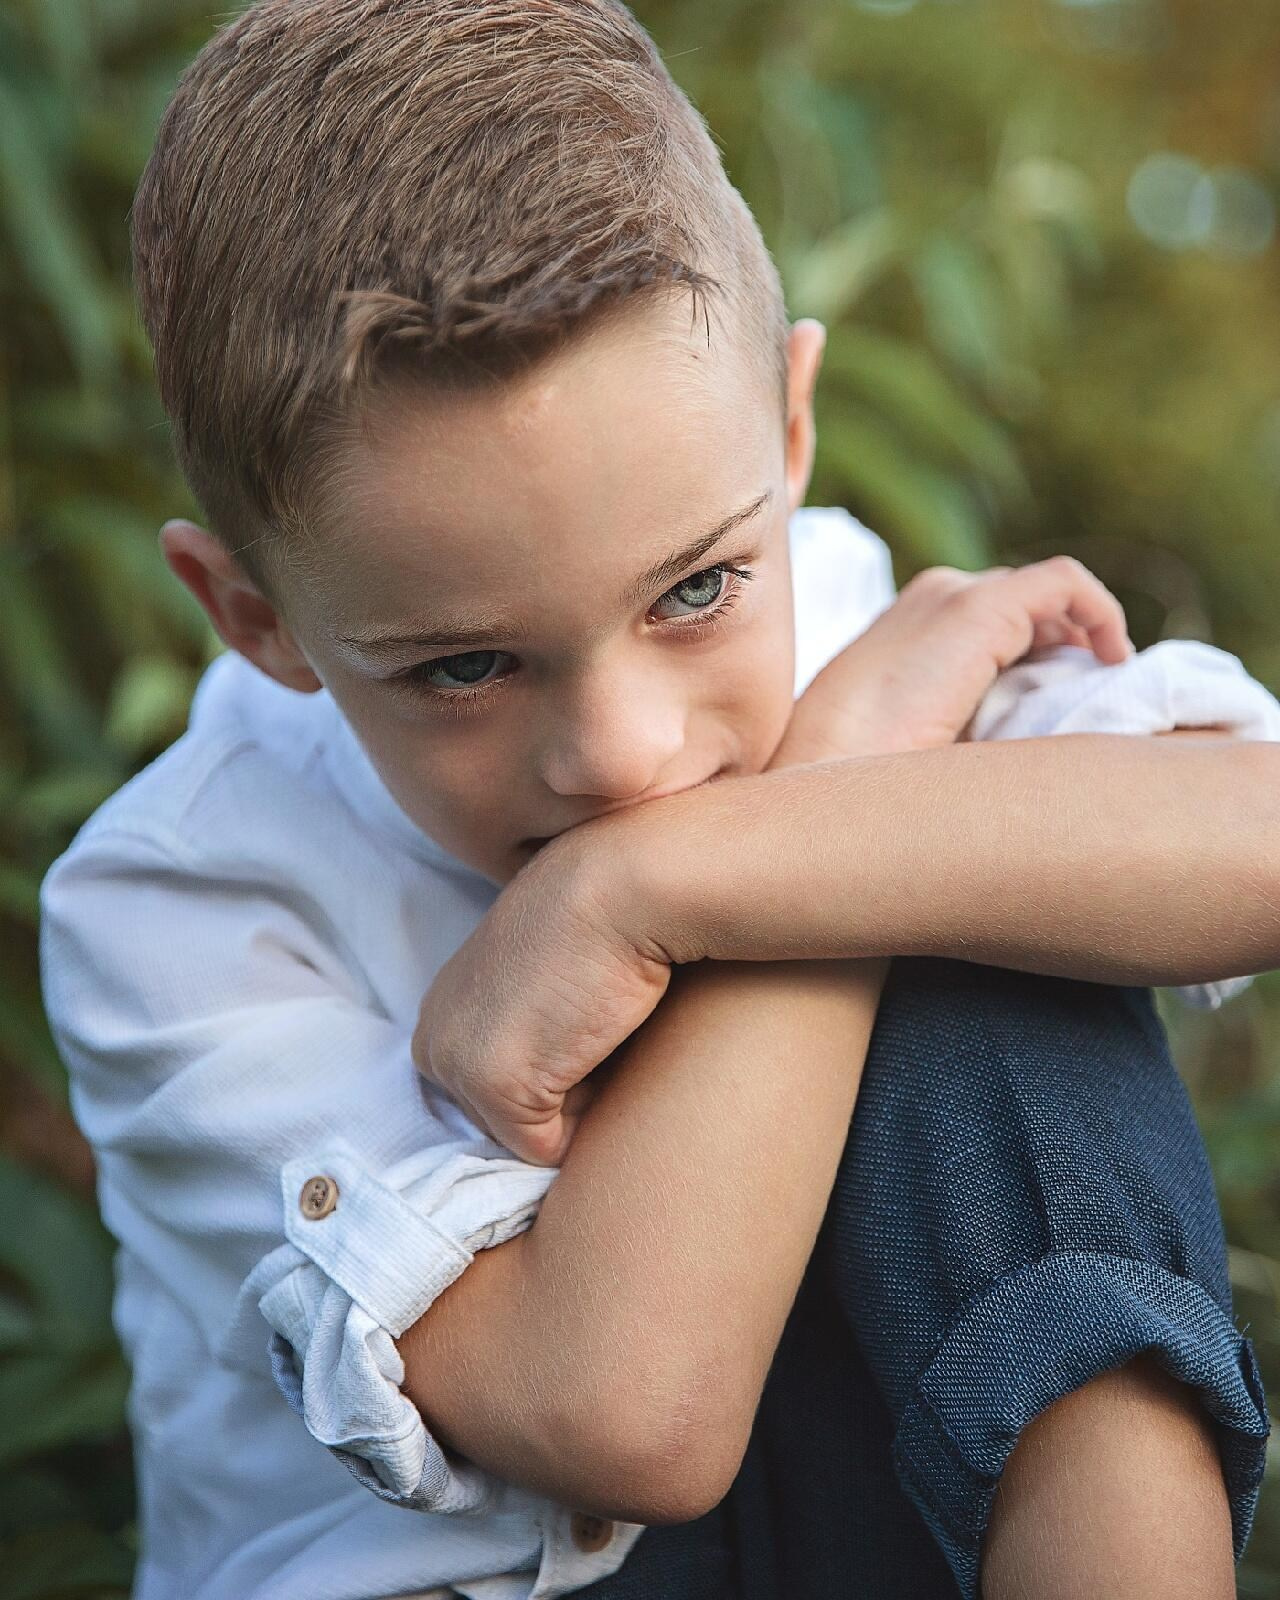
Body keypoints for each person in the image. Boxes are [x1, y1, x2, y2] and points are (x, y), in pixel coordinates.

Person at [36, 2, 1278, 1597]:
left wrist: (653, 888)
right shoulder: (179, 900)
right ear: (257, 617)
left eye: (695, 587)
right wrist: (839, 778)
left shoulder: (832, 621)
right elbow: (629, 1414)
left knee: (997, 954)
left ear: (792, 426)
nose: (623, 757)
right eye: (466, 668)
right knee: (924, 860)